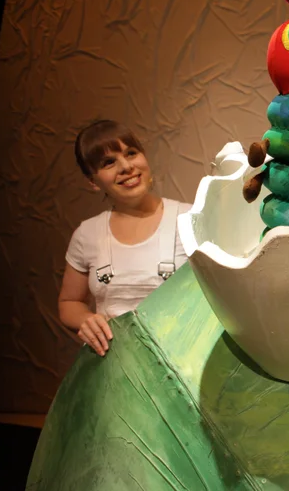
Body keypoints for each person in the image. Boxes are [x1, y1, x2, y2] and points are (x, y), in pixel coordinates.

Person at [58, 120, 192, 357]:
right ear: (93, 181)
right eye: (108, 163)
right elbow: (69, 303)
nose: (126, 167)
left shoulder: (190, 219)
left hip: (183, 363)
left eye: (131, 153)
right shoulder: (87, 234)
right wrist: (86, 320)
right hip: (114, 367)